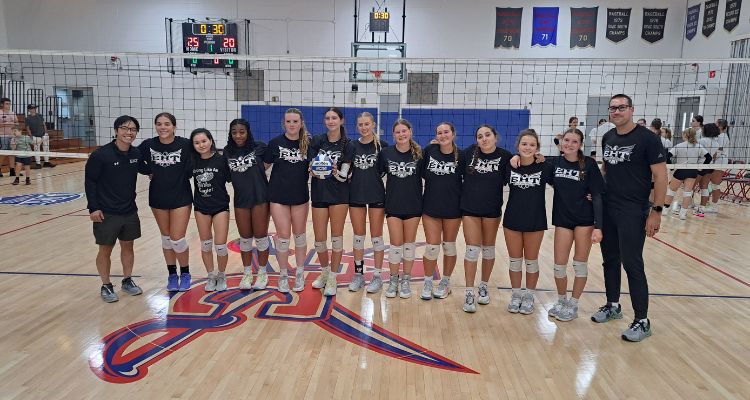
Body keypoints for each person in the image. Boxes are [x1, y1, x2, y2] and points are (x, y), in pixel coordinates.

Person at [593, 94, 667, 342]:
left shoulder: (648, 139)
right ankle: (613, 305)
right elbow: (606, 169)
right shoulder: (608, 137)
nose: (616, 111)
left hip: (633, 210)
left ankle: (642, 321)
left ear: (631, 110)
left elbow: (661, 176)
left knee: (632, 263)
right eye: (613, 108)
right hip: (609, 208)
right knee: (609, 260)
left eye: (621, 107)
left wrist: (656, 211)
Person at [545, 129, 604, 321]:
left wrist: (598, 226)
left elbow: (596, 195)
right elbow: (533, 164)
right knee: (559, 266)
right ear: (561, 142)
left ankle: (574, 304)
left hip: (584, 221)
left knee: (579, 265)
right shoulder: (554, 163)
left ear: (580, 144)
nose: (569, 144)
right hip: (563, 219)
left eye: (574, 141)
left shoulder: (589, 164)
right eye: (566, 140)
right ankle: (562, 300)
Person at [84, 115, 143, 303]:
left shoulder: (136, 154)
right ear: (117, 130)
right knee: (105, 250)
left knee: (128, 246)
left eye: (133, 129)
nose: (129, 132)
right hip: (106, 212)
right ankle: (106, 285)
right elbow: (90, 182)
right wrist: (93, 208)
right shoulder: (101, 155)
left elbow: (147, 168)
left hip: (129, 210)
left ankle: (127, 280)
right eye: (125, 128)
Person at [459, 125, 512, 312]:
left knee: (488, 249)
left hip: (492, 210)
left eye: (487, 135)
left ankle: (483, 285)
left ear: (495, 137)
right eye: (480, 136)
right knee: (472, 250)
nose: (484, 139)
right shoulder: (467, 154)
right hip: (470, 209)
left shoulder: (506, 157)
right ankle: (468, 292)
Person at [138, 113, 193, 292]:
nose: (163, 127)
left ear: (174, 127)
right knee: (166, 239)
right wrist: (148, 170)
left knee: (177, 239)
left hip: (181, 196)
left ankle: (185, 273)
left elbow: (196, 161)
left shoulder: (185, 144)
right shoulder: (148, 145)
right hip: (158, 197)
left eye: (167, 124)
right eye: (159, 124)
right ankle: (172, 274)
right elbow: (133, 158)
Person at [503, 130, 553, 315]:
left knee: (531, 261)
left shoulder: (545, 167)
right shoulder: (510, 166)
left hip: (535, 219)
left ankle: (529, 295)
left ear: (537, 148)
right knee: (515, 261)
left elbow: (564, 183)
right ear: (518, 146)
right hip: (512, 219)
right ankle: (516, 295)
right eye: (524, 144)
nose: (528, 147)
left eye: (532, 145)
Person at [263, 108, 311, 292]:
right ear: (284, 123)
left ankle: (299, 273)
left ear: (301, 123)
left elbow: (316, 165)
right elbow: (263, 166)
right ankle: (283, 275)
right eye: (288, 122)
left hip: (300, 196)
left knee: (299, 236)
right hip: (278, 196)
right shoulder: (275, 143)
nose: (292, 125)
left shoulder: (308, 143)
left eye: (295, 121)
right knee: (283, 238)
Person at [308, 107, 354, 297]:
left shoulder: (348, 145)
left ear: (341, 120)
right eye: (327, 118)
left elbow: (345, 176)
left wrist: (335, 171)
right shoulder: (317, 141)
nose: (330, 121)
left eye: (334, 118)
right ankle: (325, 272)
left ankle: (333, 277)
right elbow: (310, 165)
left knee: (336, 238)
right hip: (319, 194)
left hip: (339, 196)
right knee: (319, 240)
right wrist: (313, 168)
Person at [224, 119, 271, 290]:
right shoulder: (228, 152)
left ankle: (262, 274)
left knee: (260, 237)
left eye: (241, 131)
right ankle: (246, 274)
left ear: (248, 132)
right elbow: (225, 176)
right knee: (244, 239)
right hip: (241, 200)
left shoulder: (260, 147)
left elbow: (274, 159)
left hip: (260, 198)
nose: (238, 135)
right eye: (234, 132)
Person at [379, 119, 423, 299]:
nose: (401, 134)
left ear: (410, 132)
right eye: (397, 132)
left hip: (413, 205)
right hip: (393, 205)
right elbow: (377, 174)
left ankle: (406, 279)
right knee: (396, 245)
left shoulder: (420, 154)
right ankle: (393, 279)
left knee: (409, 246)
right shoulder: (386, 153)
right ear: (393, 135)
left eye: (404, 131)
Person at [420, 122, 462, 300]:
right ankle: (428, 281)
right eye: (439, 133)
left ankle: (445, 281)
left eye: (446, 132)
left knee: (449, 246)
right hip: (431, 206)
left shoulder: (463, 155)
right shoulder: (429, 151)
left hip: (454, 207)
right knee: (431, 247)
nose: (443, 135)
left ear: (453, 134)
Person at [348, 112, 388, 293]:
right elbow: (345, 170)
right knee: (358, 237)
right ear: (357, 127)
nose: (364, 127)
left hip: (376, 196)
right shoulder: (352, 146)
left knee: (377, 237)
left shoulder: (383, 147)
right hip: (356, 195)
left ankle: (377, 276)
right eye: (360, 125)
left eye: (367, 124)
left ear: (373, 125)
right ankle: (358, 275)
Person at [189, 128, 231, 292]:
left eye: (204, 141)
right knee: (206, 245)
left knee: (220, 245)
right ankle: (211, 275)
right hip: (201, 207)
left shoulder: (221, 160)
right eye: (197, 142)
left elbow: (233, 177)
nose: (201, 145)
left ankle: (221, 275)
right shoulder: (192, 161)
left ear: (211, 141)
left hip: (220, 206)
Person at [665, 128, 711, 220]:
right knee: (687, 193)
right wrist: (701, 167)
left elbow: (668, 156)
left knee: (671, 190)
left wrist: (671, 167)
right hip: (692, 171)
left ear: (685, 135)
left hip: (681, 170)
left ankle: (664, 210)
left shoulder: (679, 145)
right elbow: (708, 157)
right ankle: (683, 214)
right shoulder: (698, 146)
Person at [697, 121, 729, 214]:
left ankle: (714, 207)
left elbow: (718, 151)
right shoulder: (716, 137)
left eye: (716, 124)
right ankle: (705, 204)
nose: (715, 125)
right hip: (713, 162)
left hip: (719, 162)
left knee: (715, 185)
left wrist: (712, 160)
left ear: (721, 126)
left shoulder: (722, 136)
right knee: (707, 185)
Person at [26, 104, 54, 169]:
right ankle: (38, 164)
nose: (34, 109)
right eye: (32, 108)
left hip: (44, 135)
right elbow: (27, 128)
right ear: (29, 110)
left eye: (35, 108)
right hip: (35, 136)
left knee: (46, 149)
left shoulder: (40, 116)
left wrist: (46, 133)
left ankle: (46, 162)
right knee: (36, 150)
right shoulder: (28, 118)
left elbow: (44, 124)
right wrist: (31, 136)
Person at [0, 98, 18, 177]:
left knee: (12, 153)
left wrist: (9, 123)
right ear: (2, 104)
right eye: (7, 103)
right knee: (3, 153)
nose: (9, 105)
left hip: (12, 136)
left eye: (9, 103)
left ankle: (12, 170)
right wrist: (9, 123)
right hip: (2, 136)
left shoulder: (12, 113)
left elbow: (17, 123)